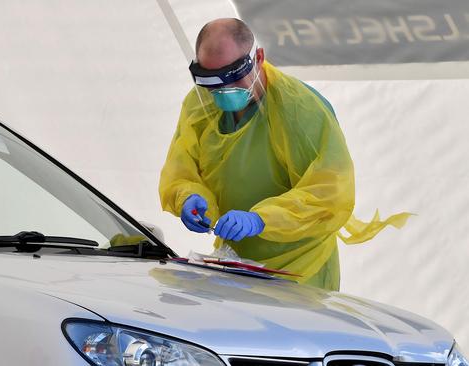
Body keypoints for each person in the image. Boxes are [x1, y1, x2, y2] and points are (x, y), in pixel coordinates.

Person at [159, 18, 409, 290]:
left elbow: (329, 194)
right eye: (211, 81)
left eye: (233, 77)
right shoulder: (200, 104)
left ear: (259, 57)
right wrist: (188, 197)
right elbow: (182, 168)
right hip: (234, 266)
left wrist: (261, 220)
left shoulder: (301, 110)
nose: (222, 91)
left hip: (300, 272)